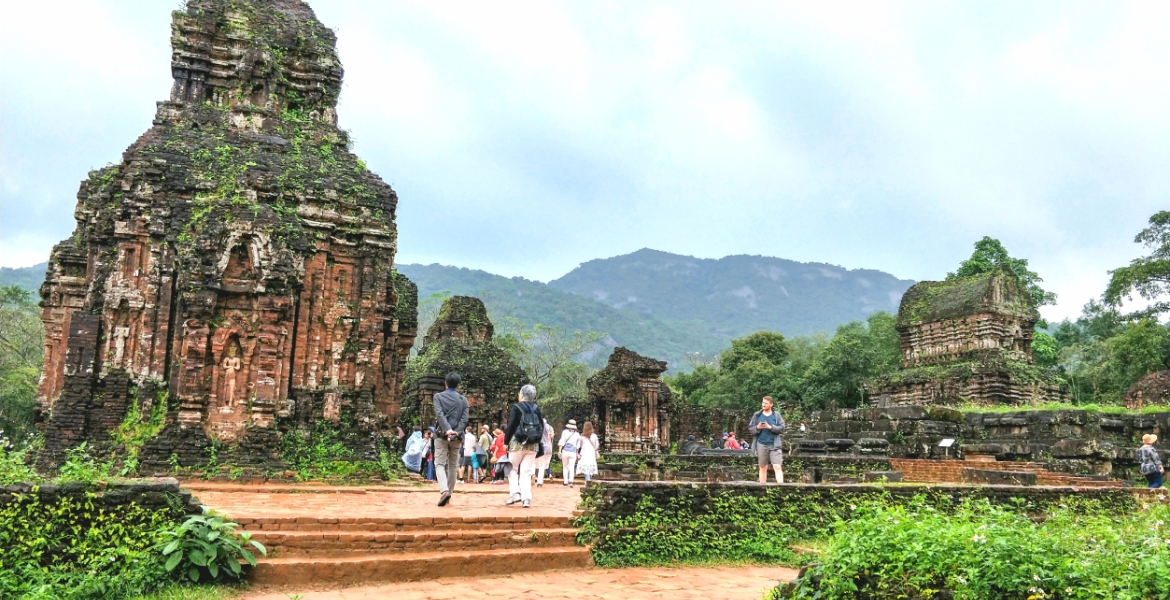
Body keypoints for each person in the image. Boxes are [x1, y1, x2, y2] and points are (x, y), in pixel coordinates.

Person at [504, 384, 545, 508]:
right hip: (533, 445)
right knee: (526, 471)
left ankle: (515, 493)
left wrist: (506, 442)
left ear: (522, 395)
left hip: (518, 443)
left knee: (511, 468)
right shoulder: (536, 408)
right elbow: (541, 426)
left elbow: (510, 426)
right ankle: (526, 498)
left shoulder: (516, 408)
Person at [433, 372, 469, 506]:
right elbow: (464, 419)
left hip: (441, 435)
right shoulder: (463, 400)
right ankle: (449, 494)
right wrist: (455, 433)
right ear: (458, 384)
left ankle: (444, 491)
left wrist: (448, 430)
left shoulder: (438, 397)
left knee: (440, 464)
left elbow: (439, 414)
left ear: (445, 383)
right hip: (458, 437)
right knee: (453, 465)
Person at [748, 395, 785, 483]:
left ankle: (781, 487)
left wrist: (770, 427)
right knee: (763, 467)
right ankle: (762, 488)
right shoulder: (757, 415)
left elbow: (782, 428)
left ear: (771, 404)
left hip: (774, 444)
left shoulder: (776, 415)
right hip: (761, 443)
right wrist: (758, 427)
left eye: (766, 403)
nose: (763, 405)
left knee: (777, 466)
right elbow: (751, 429)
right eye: (763, 402)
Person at [558, 420, 581, 487]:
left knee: (565, 467)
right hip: (573, 452)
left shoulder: (564, 432)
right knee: (571, 467)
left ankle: (565, 482)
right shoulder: (577, 434)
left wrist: (559, 451)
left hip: (565, 451)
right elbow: (578, 445)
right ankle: (571, 481)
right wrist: (577, 453)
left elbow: (562, 441)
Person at [536, 417, 555, 487]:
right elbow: (552, 437)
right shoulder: (550, 427)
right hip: (548, 448)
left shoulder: (536, 426)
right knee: (542, 465)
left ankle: (534, 478)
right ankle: (540, 482)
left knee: (533, 464)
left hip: (539, 447)